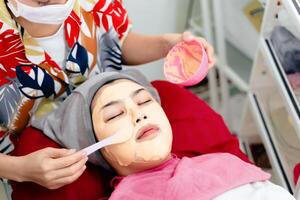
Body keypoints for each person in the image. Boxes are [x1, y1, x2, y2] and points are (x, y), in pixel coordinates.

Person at [0, 0, 215, 189]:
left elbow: (116, 41)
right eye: (43, 1)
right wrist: (18, 169)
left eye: (143, 101)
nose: (58, 4)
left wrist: (165, 45)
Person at [33, 69, 295, 199]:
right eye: (114, 115)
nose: (139, 114)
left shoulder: (224, 164)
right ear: (96, 146)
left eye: (145, 101)